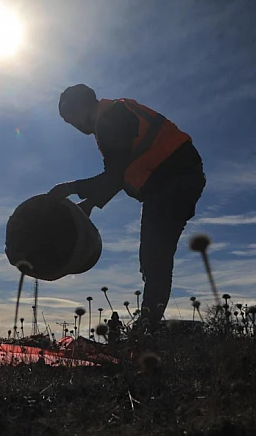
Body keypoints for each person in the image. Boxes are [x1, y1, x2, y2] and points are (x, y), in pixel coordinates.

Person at [49, 84, 206, 330]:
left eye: (72, 119)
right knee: (153, 257)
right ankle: (148, 324)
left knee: (154, 257)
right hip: (170, 181)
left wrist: (69, 187)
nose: (76, 127)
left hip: (174, 181)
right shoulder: (112, 115)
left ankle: (146, 329)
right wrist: (90, 203)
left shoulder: (111, 119)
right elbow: (123, 172)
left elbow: (115, 175)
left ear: (82, 106)